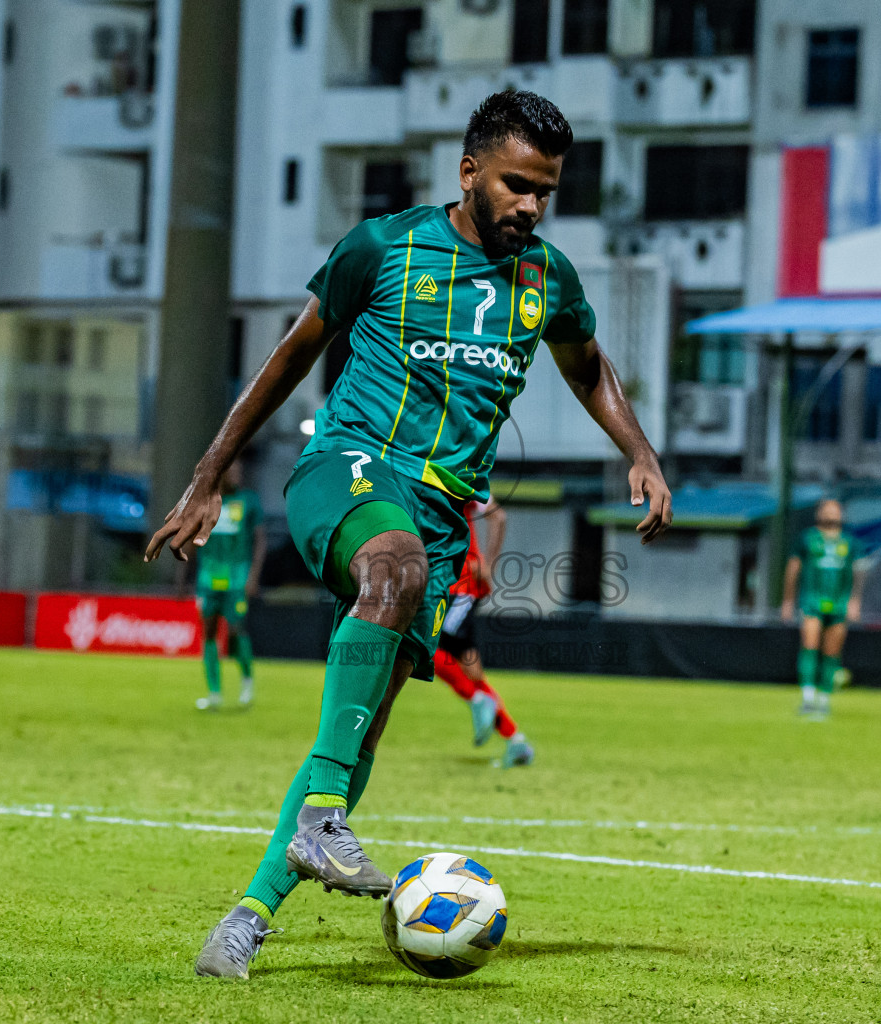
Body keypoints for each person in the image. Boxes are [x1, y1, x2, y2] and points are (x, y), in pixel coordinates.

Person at [143, 90, 672, 980]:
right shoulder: (384, 246)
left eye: (545, 190)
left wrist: (642, 452)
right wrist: (208, 475)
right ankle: (319, 823)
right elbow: (291, 355)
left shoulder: (547, 281)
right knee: (393, 567)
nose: (530, 205)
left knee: (360, 733)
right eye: (515, 184)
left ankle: (246, 918)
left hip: (441, 514)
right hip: (349, 468)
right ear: (468, 173)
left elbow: (590, 369)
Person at [432, 497, 534, 768]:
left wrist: (489, 565)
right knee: (470, 671)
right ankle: (516, 741)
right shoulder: (437, 471)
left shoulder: (456, 473)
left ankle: (477, 700)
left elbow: (498, 516)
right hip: (449, 586)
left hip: (460, 585)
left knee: (424, 647)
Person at [190, 461, 266, 710]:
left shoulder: (249, 501)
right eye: (231, 471)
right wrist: (184, 575)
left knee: (236, 630)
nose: (236, 475)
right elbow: (192, 538)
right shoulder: (206, 501)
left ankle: (246, 682)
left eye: (238, 470)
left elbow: (260, 540)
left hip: (236, 578)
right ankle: (214, 693)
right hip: (208, 579)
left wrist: (253, 576)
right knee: (209, 632)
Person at [781, 499, 864, 720]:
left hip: (839, 605)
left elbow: (858, 571)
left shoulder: (849, 542)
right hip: (811, 603)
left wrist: (855, 601)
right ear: (819, 513)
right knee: (809, 646)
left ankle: (824, 701)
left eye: (834, 509)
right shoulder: (807, 538)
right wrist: (788, 601)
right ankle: (808, 698)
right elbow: (793, 568)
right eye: (826, 509)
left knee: (832, 652)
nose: (830, 513)